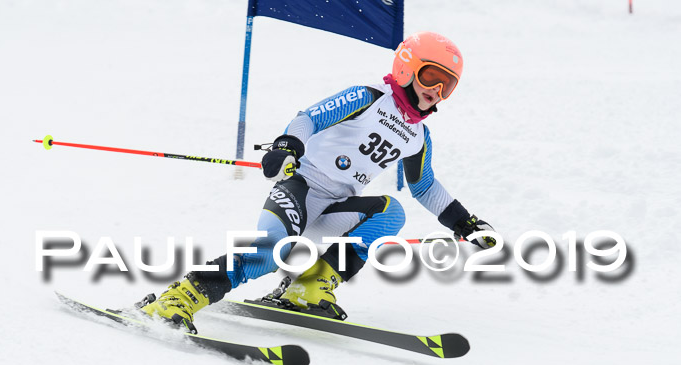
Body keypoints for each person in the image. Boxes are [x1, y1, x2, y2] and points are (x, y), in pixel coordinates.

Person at [141, 31, 496, 329]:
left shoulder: (418, 136)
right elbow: (309, 118)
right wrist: (286, 146)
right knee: (269, 253)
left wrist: (466, 223)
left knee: (393, 212)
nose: (436, 89)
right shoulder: (368, 96)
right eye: (430, 76)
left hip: (335, 209)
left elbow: (425, 186)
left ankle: (308, 288)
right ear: (406, 67)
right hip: (301, 189)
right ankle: (178, 298)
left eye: (447, 85)